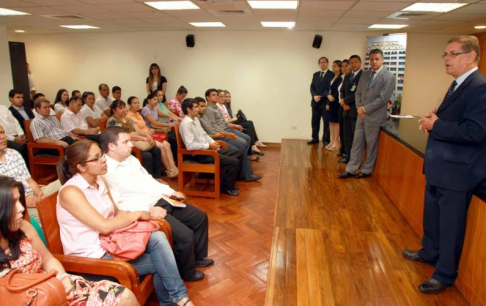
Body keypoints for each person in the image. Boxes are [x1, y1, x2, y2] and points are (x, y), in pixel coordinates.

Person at [56, 140, 192, 305]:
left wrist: (145, 213)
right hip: (92, 256)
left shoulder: (99, 181)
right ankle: (177, 300)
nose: (103, 160)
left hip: (111, 241)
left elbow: (116, 212)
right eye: (96, 158)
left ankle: (178, 299)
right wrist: (137, 214)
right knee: (161, 262)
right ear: (81, 167)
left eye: (102, 155)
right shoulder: (71, 192)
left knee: (157, 237)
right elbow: (103, 226)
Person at [402, 35, 486, 294]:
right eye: (445, 55)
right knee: (433, 218)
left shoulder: (479, 87)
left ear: (471, 56)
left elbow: (476, 131)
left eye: (453, 54)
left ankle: (445, 274)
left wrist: (436, 125)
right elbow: (454, 121)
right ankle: (430, 252)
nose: (447, 59)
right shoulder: (458, 85)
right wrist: (434, 121)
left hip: (458, 173)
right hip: (441, 168)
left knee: (450, 226)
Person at [0, 176, 139, 306]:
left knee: (125, 297)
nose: (22, 208)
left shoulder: (23, 228)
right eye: (12, 203)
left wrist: (63, 278)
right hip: (31, 300)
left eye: (19, 200)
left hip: (52, 287)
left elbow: (48, 259)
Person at [101, 127, 213, 283]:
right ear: (111, 146)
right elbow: (118, 205)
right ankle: (186, 272)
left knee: (200, 217)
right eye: (126, 142)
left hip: (160, 199)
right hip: (146, 209)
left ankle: (197, 257)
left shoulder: (131, 160)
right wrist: (148, 210)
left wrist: (170, 191)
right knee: (185, 236)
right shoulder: (106, 171)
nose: (131, 145)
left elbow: (150, 181)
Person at [339, 49, 395, 179]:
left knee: (371, 146)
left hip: (374, 117)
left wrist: (365, 109)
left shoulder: (389, 77)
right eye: (371, 59)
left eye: (377, 59)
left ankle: (366, 170)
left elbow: (382, 99)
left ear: (382, 60)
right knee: (356, 143)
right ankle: (351, 169)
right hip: (361, 115)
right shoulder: (365, 74)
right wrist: (360, 108)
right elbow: (358, 93)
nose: (374, 62)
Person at [0, 124, 61, 225]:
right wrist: (25, 201)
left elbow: (29, 180)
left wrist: (40, 195)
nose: (1, 137)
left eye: (2, 132)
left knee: (65, 182)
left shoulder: (14, 153)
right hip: (16, 203)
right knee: (49, 216)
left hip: (33, 193)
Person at [180, 99, 242, 196]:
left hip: (207, 149)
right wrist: (209, 146)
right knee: (233, 161)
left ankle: (228, 183)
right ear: (188, 109)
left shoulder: (195, 119)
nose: (198, 109)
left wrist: (214, 144)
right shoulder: (185, 124)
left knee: (238, 153)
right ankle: (225, 188)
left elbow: (204, 135)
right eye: (196, 107)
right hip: (199, 154)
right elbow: (190, 146)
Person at [198, 90, 262, 181]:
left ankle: (244, 172)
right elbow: (212, 128)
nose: (216, 96)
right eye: (214, 95)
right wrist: (225, 134)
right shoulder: (207, 110)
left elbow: (221, 123)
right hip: (219, 135)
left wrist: (232, 127)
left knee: (246, 139)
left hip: (222, 132)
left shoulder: (215, 107)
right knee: (242, 144)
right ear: (207, 98)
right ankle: (245, 173)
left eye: (217, 95)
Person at [106, 100, 163, 179]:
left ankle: (157, 177)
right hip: (123, 145)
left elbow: (138, 131)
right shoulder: (112, 120)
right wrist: (142, 138)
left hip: (135, 141)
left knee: (156, 150)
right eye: (120, 108)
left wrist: (147, 136)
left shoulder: (128, 119)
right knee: (147, 156)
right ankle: (148, 179)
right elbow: (122, 136)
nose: (123, 110)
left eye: (124, 107)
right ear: (114, 110)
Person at [128, 95, 178, 178]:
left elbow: (144, 125)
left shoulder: (138, 114)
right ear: (129, 105)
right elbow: (137, 131)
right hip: (144, 137)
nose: (137, 105)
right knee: (162, 146)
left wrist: (149, 129)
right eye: (135, 103)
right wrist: (148, 133)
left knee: (167, 144)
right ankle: (169, 169)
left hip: (149, 133)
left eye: (138, 103)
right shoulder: (129, 117)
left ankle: (174, 167)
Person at [215, 90, 263, 155]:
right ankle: (253, 146)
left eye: (225, 96)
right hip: (225, 127)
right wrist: (233, 120)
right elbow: (223, 121)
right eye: (222, 96)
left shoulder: (223, 106)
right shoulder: (217, 107)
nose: (224, 98)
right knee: (248, 126)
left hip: (229, 123)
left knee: (249, 123)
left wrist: (233, 119)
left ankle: (254, 143)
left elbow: (228, 118)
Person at [339, 55, 363, 164]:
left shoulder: (363, 76)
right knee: (347, 136)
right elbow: (342, 91)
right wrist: (343, 103)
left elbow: (358, 93)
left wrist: (346, 101)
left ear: (360, 63)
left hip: (355, 111)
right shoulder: (348, 76)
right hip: (346, 110)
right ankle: (348, 156)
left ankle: (355, 159)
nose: (353, 64)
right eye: (351, 63)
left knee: (355, 137)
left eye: (355, 62)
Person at [309, 57, 334, 145]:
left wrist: (321, 96)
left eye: (324, 62)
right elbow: (312, 87)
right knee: (315, 121)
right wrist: (314, 95)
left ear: (327, 63)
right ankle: (314, 138)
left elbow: (329, 89)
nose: (322, 64)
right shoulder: (315, 74)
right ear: (319, 64)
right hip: (315, 102)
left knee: (326, 123)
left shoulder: (332, 74)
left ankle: (326, 140)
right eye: (321, 62)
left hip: (325, 102)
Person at [325, 60, 343, 151]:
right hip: (329, 101)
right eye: (332, 66)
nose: (333, 68)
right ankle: (332, 140)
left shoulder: (341, 78)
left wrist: (331, 101)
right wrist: (328, 99)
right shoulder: (332, 76)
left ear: (340, 67)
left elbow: (337, 92)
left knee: (336, 122)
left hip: (335, 102)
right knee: (330, 122)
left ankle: (336, 141)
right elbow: (328, 90)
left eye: (335, 66)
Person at [337, 59, 350, 158]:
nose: (344, 68)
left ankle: (347, 151)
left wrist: (345, 102)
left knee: (347, 131)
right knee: (341, 130)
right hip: (341, 105)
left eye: (346, 65)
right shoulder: (343, 77)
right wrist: (342, 100)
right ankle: (342, 149)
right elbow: (341, 91)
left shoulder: (351, 77)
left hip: (349, 107)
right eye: (342, 66)